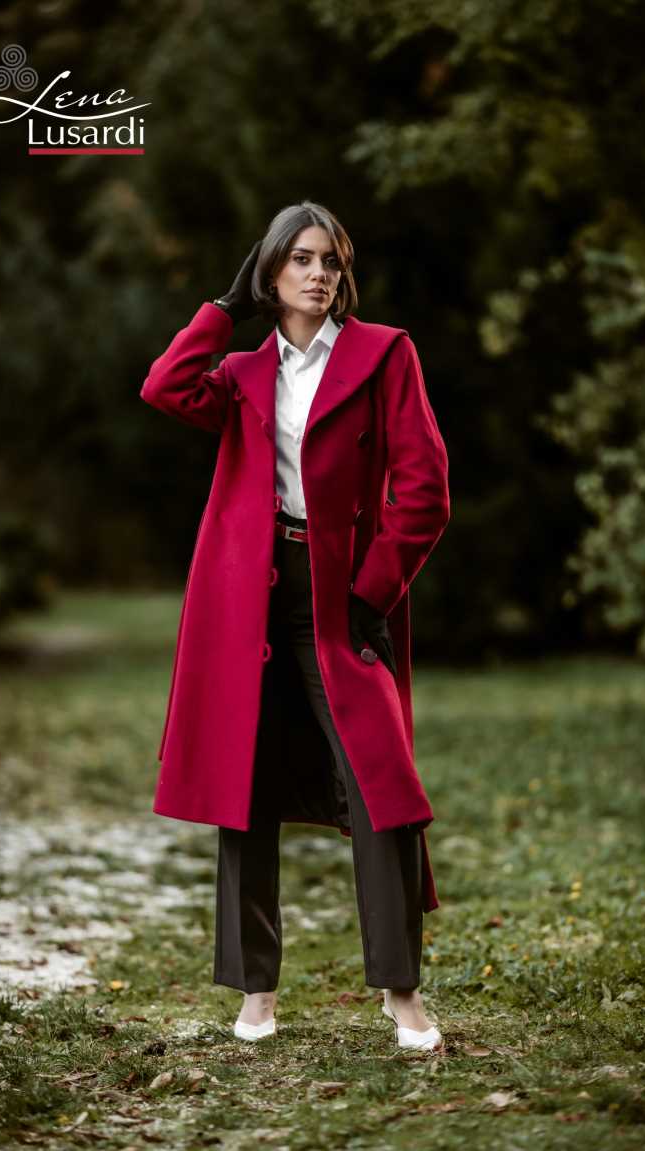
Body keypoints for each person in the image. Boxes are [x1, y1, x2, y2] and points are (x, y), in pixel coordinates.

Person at [140, 200, 450, 1050]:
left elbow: (425, 489)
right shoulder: (241, 373)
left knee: (383, 788)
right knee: (245, 790)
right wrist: (223, 308)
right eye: (303, 259)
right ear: (271, 272)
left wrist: (370, 592)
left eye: (332, 261)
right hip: (246, 599)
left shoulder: (384, 353)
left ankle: (401, 993)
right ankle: (256, 996)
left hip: (339, 597)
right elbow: (163, 386)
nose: (320, 274)